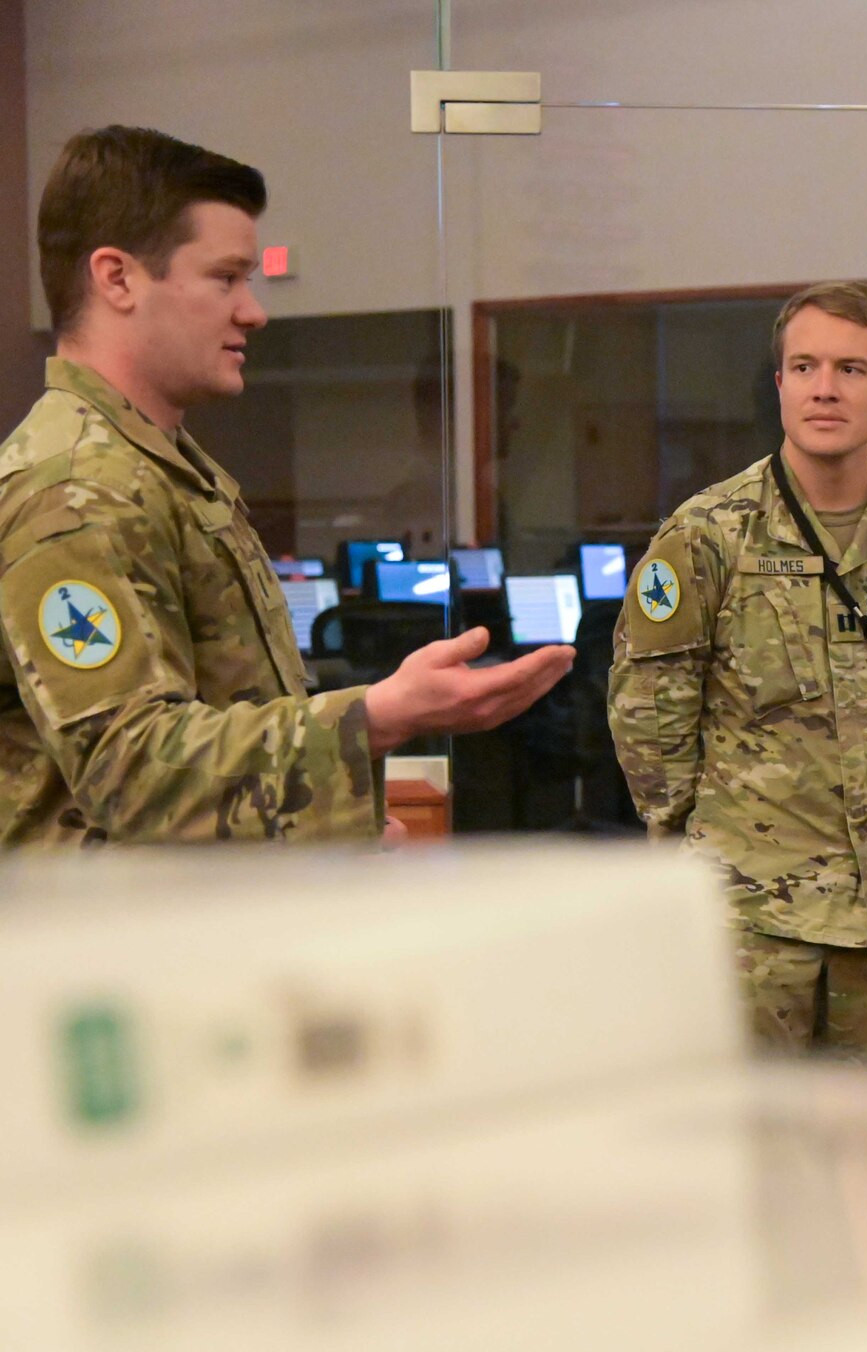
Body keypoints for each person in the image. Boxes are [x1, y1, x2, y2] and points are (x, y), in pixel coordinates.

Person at [0, 126, 571, 847]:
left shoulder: (164, 468)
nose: (254, 310)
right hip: (116, 949)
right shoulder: (75, 487)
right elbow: (132, 773)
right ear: (117, 278)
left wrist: (336, 834)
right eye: (225, 278)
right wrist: (382, 712)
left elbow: (214, 734)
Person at [608, 281, 867, 1065]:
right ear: (781, 383)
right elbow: (649, 716)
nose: (826, 387)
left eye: (852, 369)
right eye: (806, 366)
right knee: (745, 1160)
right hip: (747, 919)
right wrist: (704, 847)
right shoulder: (708, 537)